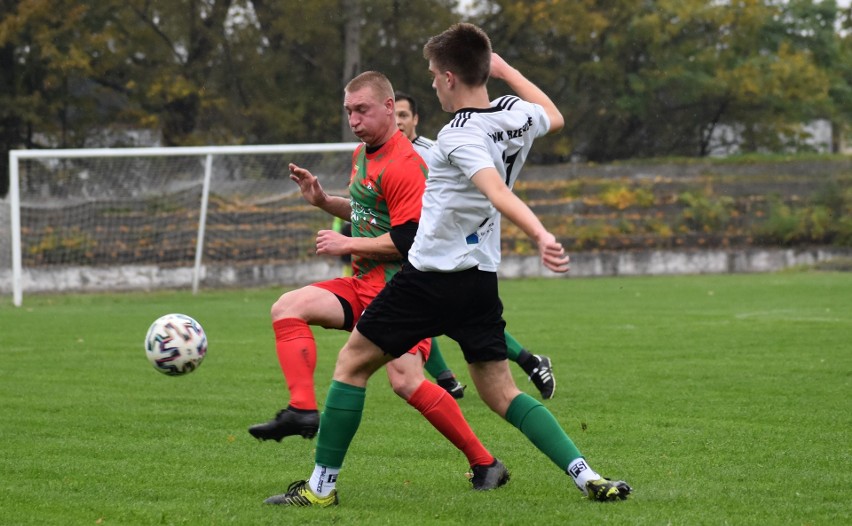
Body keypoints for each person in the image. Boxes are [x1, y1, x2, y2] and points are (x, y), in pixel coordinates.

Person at [265, 23, 631, 507]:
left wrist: (542, 235)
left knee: (351, 365)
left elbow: (496, 192)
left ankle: (320, 489)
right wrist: (503, 69)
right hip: (479, 278)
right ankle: (588, 476)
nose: (433, 83)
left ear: (452, 77)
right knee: (502, 394)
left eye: (436, 75)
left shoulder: (458, 136)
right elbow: (554, 116)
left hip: (429, 278)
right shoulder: (512, 115)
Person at [250, 70, 509, 492]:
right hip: (361, 286)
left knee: (406, 382)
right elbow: (367, 215)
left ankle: (485, 462)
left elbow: (410, 240)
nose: (354, 120)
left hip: (402, 295)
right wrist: (322, 201)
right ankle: (301, 410)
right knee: (287, 307)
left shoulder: (408, 165)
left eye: (362, 110)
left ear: (390, 108)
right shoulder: (362, 154)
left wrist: (344, 244)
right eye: (349, 111)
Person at [394, 90, 556, 400]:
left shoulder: (435, 148)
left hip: (452, 248)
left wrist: (540, 235)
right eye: (395, 116)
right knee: (447, 319)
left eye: (404, 115)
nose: (399, 122)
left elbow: (483, 191)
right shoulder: (375, 154)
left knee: (450, 318)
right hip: (419, 246)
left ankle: (460, 376)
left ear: (415, 119)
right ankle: (513, 365)